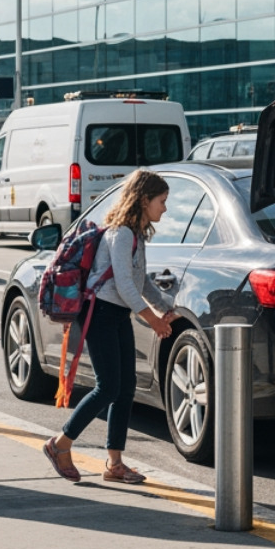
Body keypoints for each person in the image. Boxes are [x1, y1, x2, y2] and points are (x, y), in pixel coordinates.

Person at [42, 169, 179, 485]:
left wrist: (165, 308)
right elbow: (124, 285)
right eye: (161, 201)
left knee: (125, 387)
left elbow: (141, 281)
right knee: (108, 387)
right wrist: (153, 319)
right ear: (143, 200)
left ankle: (115, 464)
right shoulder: (122, 234)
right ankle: (59, 444)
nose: (165, 208)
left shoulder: (137, 234)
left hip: (117, 315)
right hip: (100, 313)